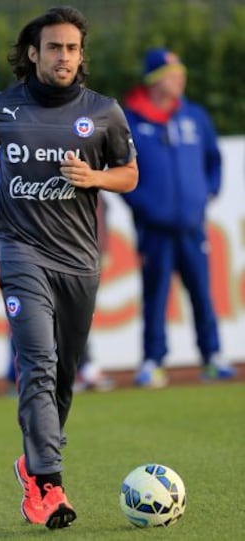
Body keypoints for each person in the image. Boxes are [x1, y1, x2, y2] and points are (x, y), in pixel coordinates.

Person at [0, 5, 138, 530]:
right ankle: (47, 485)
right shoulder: (3, 107)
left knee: (63, 377)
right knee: (38, 362)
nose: (63, 56)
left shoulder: (104, 112)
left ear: (81, 55)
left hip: (79, 261)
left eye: (71, 48)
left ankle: (33, 461)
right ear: (33, 53)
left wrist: (94, 178)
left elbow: (129, 174)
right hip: (20, 251)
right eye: (53, 47)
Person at [121, 47, 236, 388]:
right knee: (155, 296)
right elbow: (119, 170)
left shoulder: (195, 116)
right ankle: (153, 361)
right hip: (153, 228)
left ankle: (212, 356)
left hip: (191, 223)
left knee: (202, 291)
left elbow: (214, 160)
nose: (180, 80)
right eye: (172, 75)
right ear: (155, 81)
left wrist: (207, 193)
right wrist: (143, 206)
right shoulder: (130, 120)